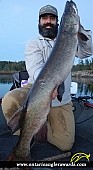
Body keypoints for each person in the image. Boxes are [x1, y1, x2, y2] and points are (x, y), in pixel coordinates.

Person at [2, 4, 93, 153]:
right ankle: (27, 132)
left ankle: (38, 125)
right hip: (35, 90)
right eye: (44, 18)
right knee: (9, 100)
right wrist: (50, 86)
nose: (48, 21)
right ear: (39, 22)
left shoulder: (69, 38)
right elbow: (35, 70)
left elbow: (87, 52)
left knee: (65, 145)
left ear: (59, 22)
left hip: (61, 99)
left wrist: (79, 29)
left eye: (52, 18)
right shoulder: (33, 43)